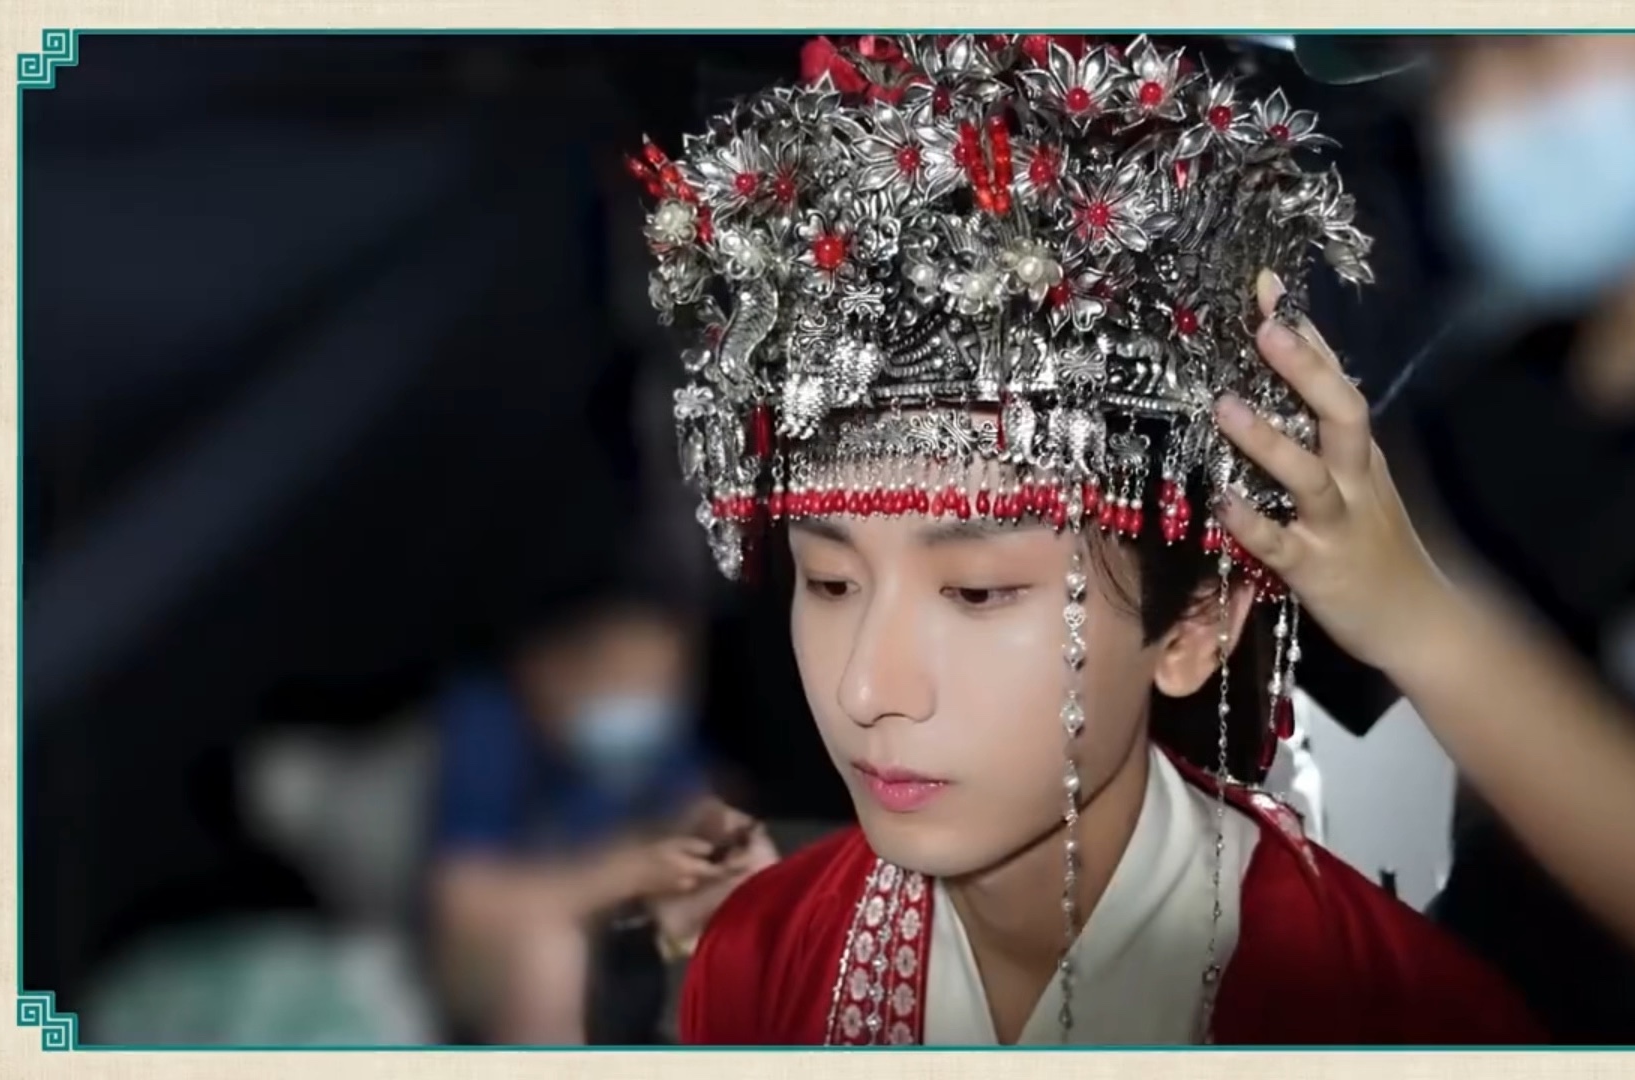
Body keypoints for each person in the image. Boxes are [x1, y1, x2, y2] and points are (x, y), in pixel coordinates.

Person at [629, 34, 1543, 1046]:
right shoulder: (757, 962)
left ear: (1195, 627)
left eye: (977, 592)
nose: (867, 689)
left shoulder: (1403, 1024)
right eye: (832, 581)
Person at [1253, 34, 1635, 1043]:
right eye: (1456, 67)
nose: (1480, 120)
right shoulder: (1494, 405)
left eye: (1534, 56)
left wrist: (1423, 616)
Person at [427, 591, 778, 1043]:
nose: (645, 703)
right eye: (622, 681)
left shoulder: (653, 731)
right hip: (495, 951)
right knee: (550, 953)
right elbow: (464, 903)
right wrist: (623, 874)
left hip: (619, 933)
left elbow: (686, 799)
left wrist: (717, 827)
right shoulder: (488, 724)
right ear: (549, 671)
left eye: (663, 683)